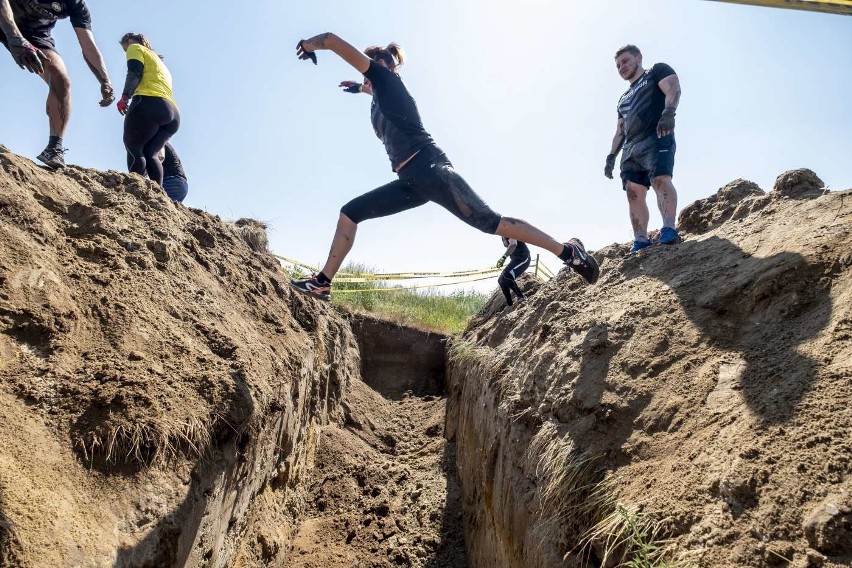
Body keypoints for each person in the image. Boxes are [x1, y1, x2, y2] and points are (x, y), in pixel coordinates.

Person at [289, 33, 599, 302]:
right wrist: (357, 89)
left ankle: (568, 252)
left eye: (370, 69)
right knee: (350, 212)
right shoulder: (377, 91)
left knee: (491, 222)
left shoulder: (388, 79)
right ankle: (322, 283)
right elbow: (373, 90)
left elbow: (330, 39)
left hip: (432, 168)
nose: (367, 76)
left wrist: (309, 44)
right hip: (409, 181)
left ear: (385, 66)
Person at [0, 0, 114, 169]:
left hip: (34, 35)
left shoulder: (75, 4)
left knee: (61, 79)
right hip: (5, 16)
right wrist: (14, 36)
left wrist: (105, 80)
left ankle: (54, 148)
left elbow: (88, 45)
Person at [604, 45, 682, 253]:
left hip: (656, 134)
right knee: (633, 192)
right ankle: (641, 239)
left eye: (626, 61)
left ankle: (668, 228)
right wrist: (611, 156)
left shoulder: (655, 72)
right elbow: (620, 130)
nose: (622, 67)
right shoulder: (622, 99)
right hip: (630, 148)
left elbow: (673, 87)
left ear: (639, 58)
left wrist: (669, 113)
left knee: (660, 180)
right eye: (618, 65)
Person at [117, 32, 179, 187]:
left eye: (125, 48)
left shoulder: (135, 47)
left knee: (133, 146)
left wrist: (125, 97)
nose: (126, 52)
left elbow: (134, 72)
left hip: (149, 102)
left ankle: (135, 190)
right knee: (151, 153)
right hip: (172, 113)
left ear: (129, 40)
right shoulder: (157, 59)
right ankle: (157, 193)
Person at [496, 237, 531, 307]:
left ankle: (521, 297)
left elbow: (513, 244)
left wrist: (504, 257)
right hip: (515, 259)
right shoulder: (502, 235)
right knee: (501, 280)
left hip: (523, 257)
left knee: (507, 275)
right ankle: (510, 304)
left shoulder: (508, 230)